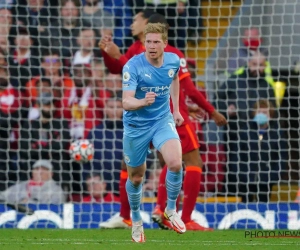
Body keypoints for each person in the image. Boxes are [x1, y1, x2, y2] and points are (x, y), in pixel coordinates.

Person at [99, 11, 226, 231]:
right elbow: (122, 70)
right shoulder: (159, 53)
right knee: (190, 162)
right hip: (160, 117)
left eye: (135, 20)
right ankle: (177, 216)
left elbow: (132, 70)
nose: (131, 23)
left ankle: (133, 214)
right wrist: (108, 54)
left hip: (145, 117)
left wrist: (117, 56)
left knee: (155, 163)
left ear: (148, 23)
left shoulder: (154, 53)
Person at [122, 22, 185, 243]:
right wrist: (141, 101)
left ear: (164, 44)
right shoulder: (133, 66)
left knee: (176, 163)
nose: (151, 46)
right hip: (136, 126)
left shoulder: (174, 61)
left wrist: (176, 109)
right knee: (137, 178)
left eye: (156, 42)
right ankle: (137, 220)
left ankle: (170, 209)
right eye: (148, 42)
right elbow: (126, 102)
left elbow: (174, 78)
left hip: (161, 120)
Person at [0, 159, 66, 204]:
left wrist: (30, 203)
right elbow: (2, 196)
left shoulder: (56, 189)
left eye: (44, 169)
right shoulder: (21, 186)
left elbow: (56, 207)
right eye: (37, 169)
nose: (40, 172)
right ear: (32, 172)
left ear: (51, 174)